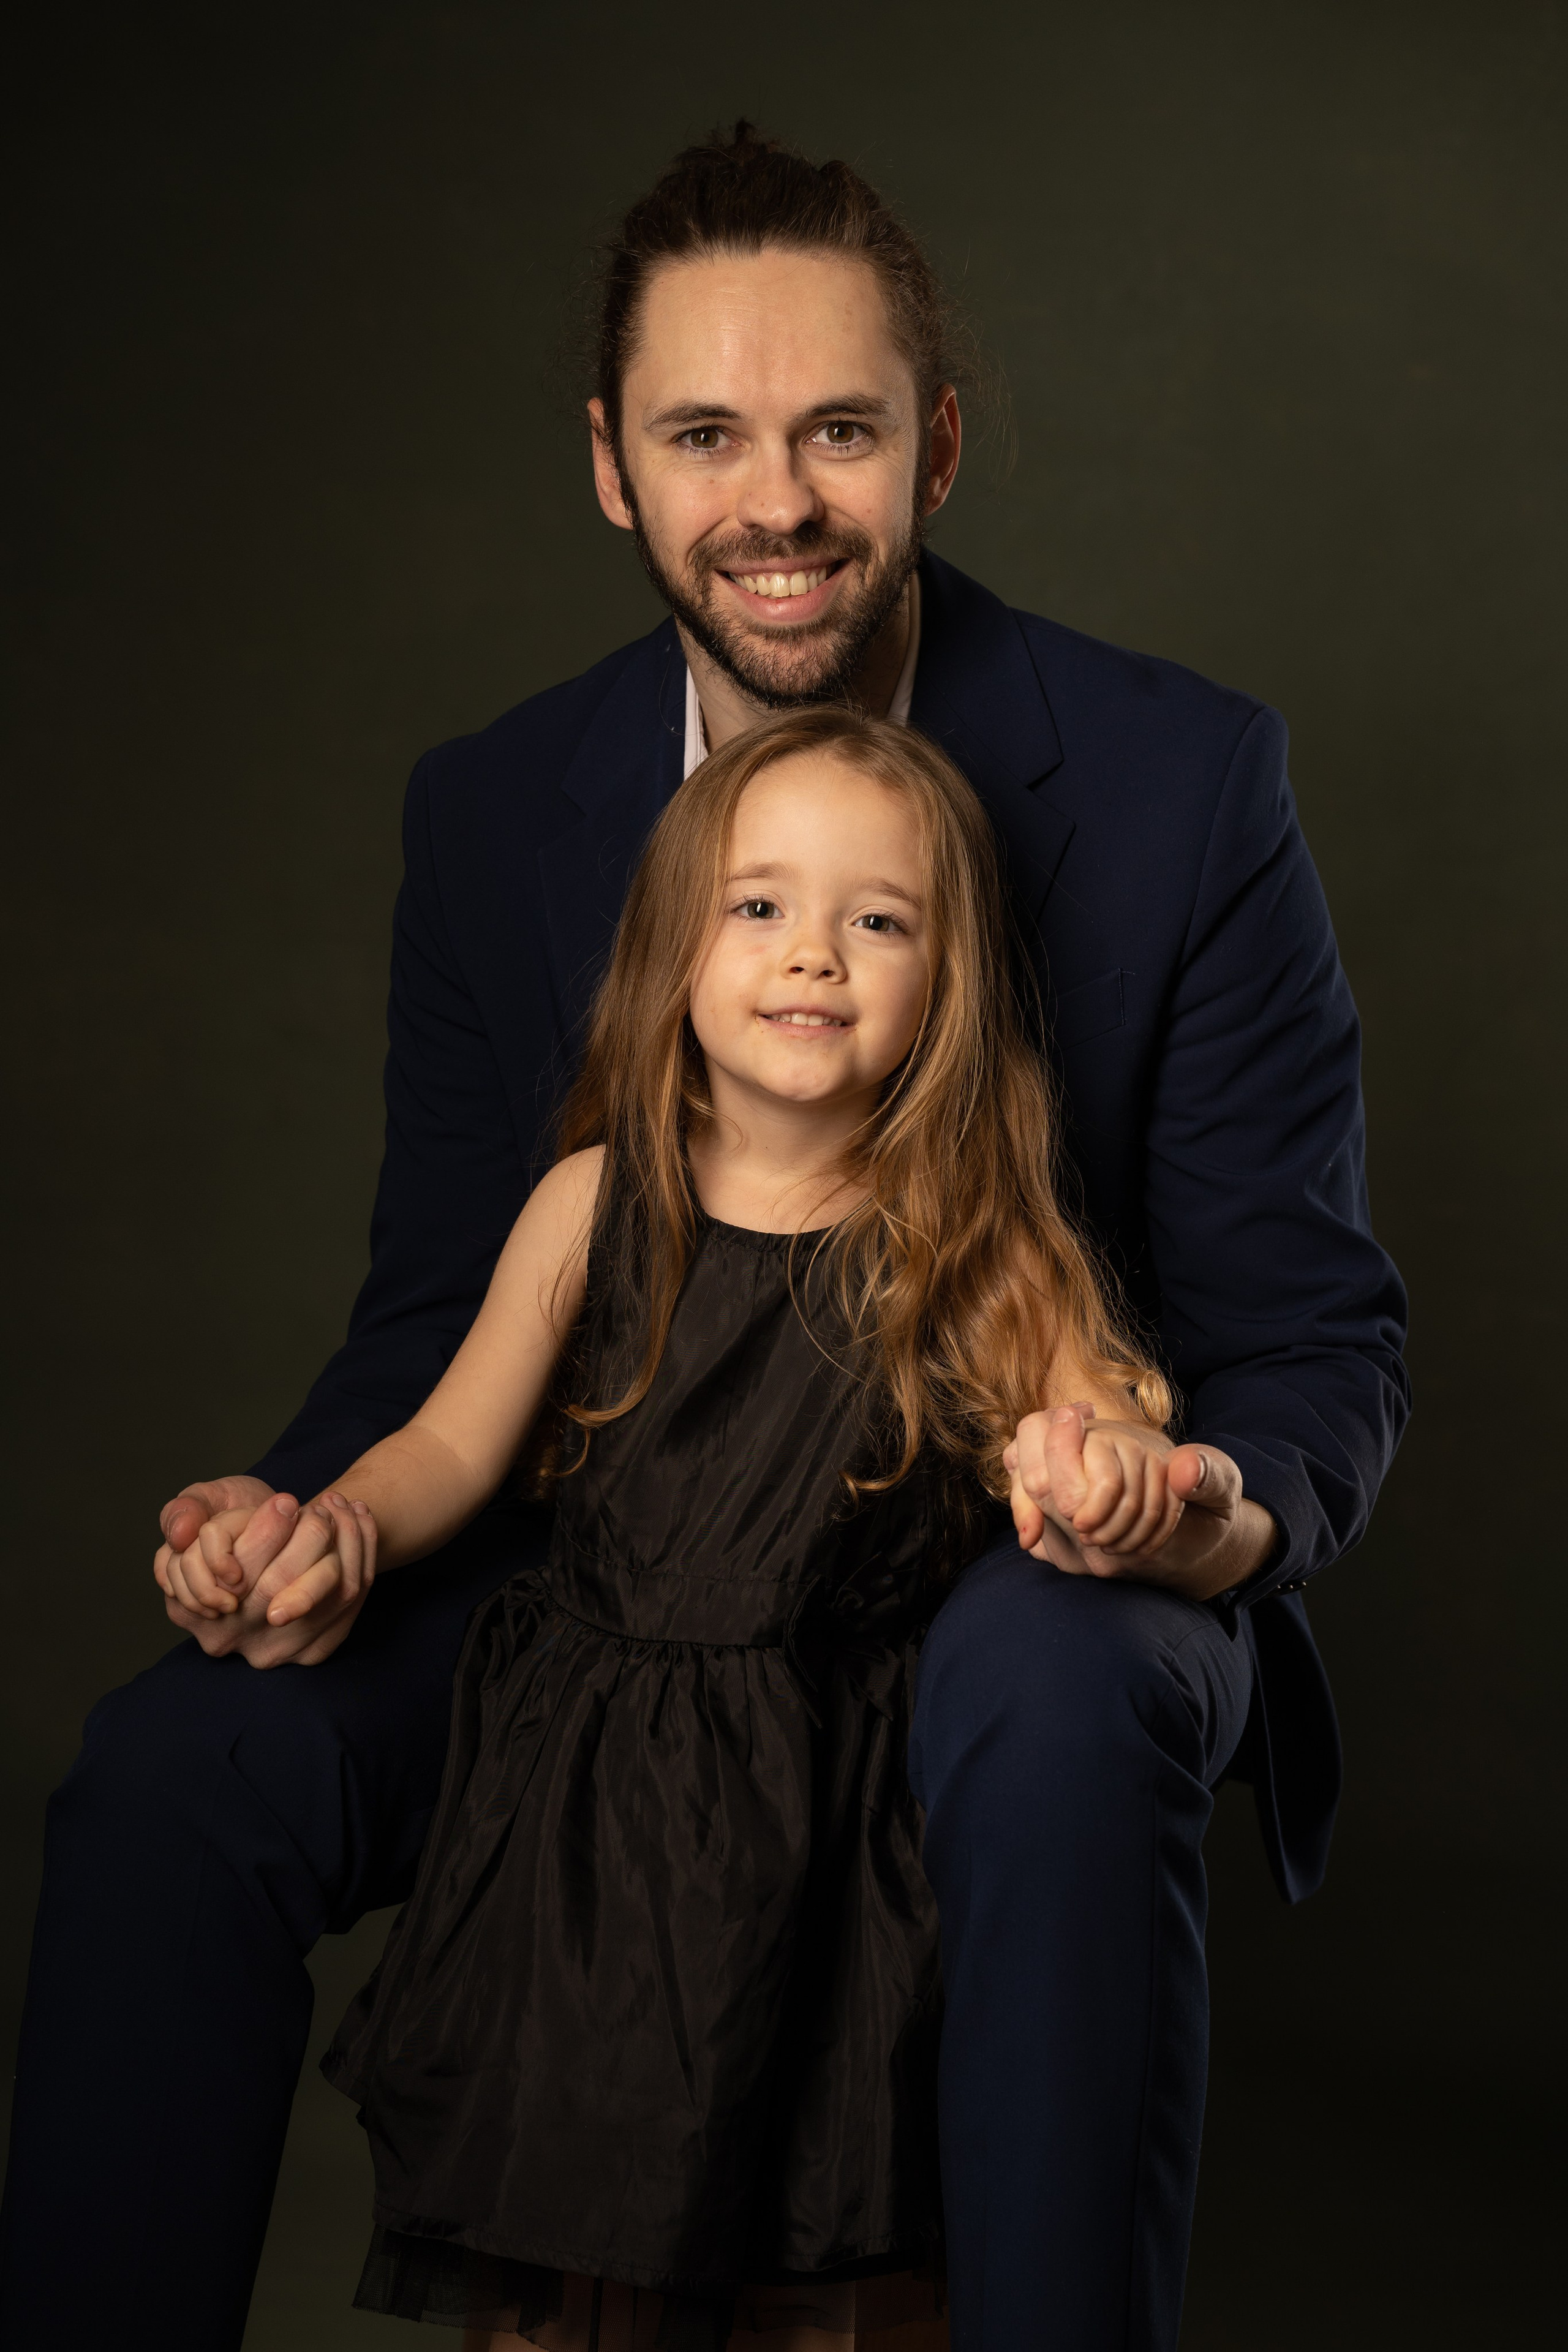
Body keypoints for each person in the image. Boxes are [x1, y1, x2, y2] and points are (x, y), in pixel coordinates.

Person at [0, 125, 1408, 2352]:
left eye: (840, 428)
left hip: (1038, 1557)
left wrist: (1197, 1514)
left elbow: (1308, 1340)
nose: (777, 501)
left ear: (934, 444)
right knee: (180, 1770)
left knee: (1046, 1696)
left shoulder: (1181, 779)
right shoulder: (491, 808)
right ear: (611, 466)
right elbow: (443, 1325)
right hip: (627, 1575)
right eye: (704, 435)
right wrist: (313, 1526)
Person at [288, 706, 1180, 2350]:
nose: (813, 956)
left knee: (809, 2263)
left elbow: (1103, 1420)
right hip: (587, 1825)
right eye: (759, 905)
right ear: (673, 946)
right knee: (563, 2270)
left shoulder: (975, 1239)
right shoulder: (594, 1203)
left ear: (947, 985)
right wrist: (335, 1523)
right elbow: (445, 1445)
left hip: (840, 1828)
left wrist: (1107, 1458)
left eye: (880, 919)